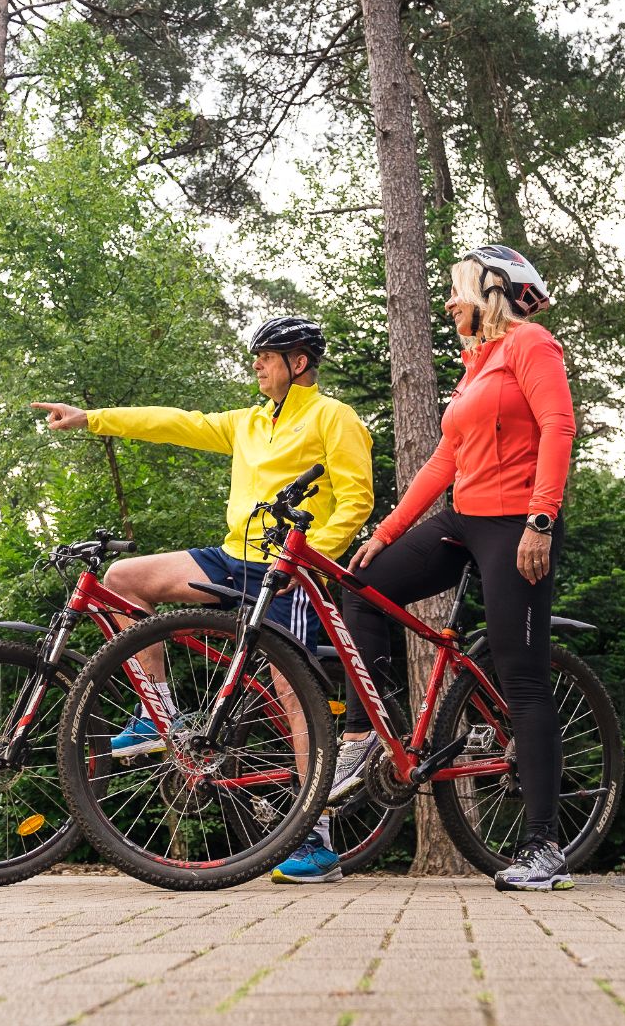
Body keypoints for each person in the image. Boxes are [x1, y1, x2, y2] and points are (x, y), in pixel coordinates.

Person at [31, 316, 374, 883]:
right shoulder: (249, 421)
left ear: (299, 362)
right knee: (122, 579)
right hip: (233, 559)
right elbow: (176, 423)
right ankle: (158, 714)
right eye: (258, 355)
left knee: (295, 693)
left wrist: (309, 559)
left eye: (268, 355)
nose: (258, 364)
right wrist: (92, 419)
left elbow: (356, 501)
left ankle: (316, 841)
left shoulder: (332, 416)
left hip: (289, 570)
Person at [338, 245, 576, 893]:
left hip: (516, 526)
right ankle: (369, 730)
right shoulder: (475, 365)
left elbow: (557, 427)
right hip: (461, 521)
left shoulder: (530, 345)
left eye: (459, 291)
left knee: (521, 679)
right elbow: (443, 460)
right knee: (359, 588)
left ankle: (543, 847)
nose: (449, 304)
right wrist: (385, 532)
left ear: (493, 290)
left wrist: (541, 520)